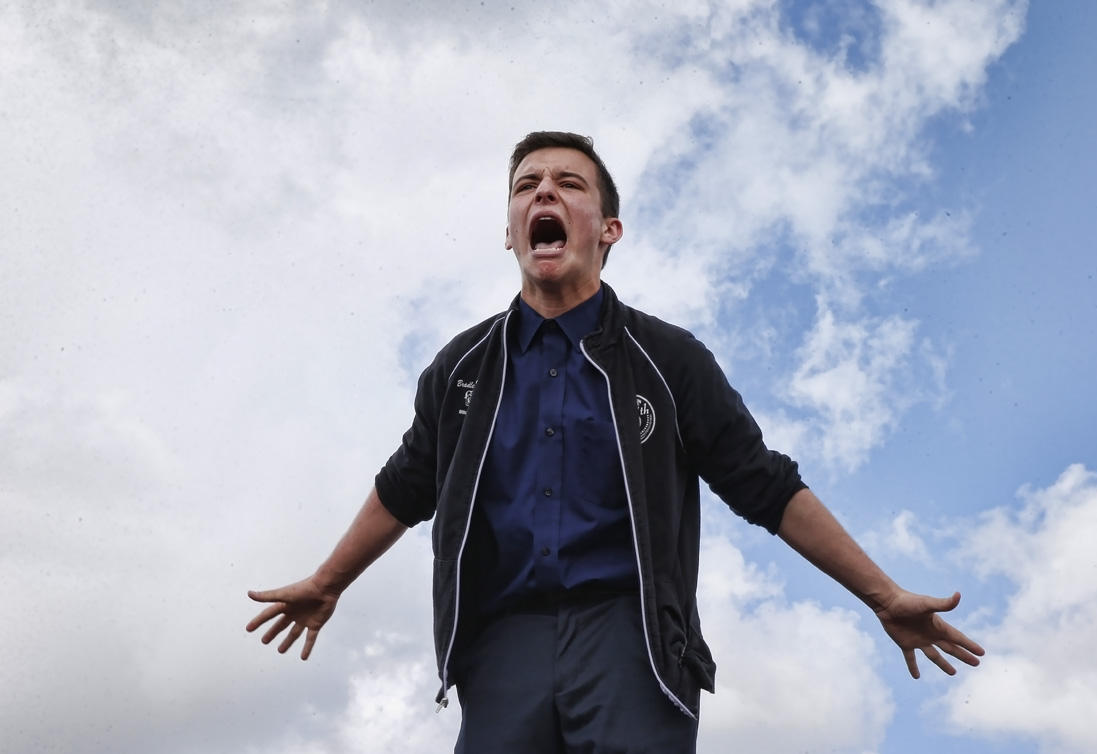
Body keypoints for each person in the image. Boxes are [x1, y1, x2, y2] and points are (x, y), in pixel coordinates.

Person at [246, 131, 984, 753]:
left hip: (632, 642)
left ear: (607, 229)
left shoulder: (667, 359)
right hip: (502, 643)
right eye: (527, 185)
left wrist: (882, 594)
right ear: (509, 229)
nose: (544, 194)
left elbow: (766, 484)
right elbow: (408, 484)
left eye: (569, 184)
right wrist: (329, 579)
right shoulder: (461, 370)